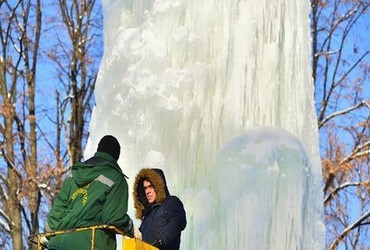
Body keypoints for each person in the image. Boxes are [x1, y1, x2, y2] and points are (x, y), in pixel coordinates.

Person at [45, 135, 134, 250]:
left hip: (58, 245)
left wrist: (49, 236)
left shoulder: (73, 176)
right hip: (91, 244)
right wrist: (132, 229)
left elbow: (54, 216)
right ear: (116, 156)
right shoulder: (115, 178)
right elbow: (114, 217)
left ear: (98, 150)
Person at [133, 168, 187, 250]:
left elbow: (179, 221)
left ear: (159, 186)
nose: (147, 191)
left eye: (151, 187)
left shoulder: (171, 202)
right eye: (145, 188)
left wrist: (160, 241)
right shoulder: (146, 217)